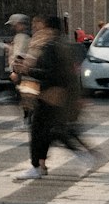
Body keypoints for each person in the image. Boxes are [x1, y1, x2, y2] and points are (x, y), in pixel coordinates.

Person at [14, 16, 95, 180]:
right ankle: (40, 165)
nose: (36, 29)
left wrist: (26, 70)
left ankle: (39, 166)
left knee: (43, 131)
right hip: (55, 95)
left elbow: (52, 73)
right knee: (49, 131)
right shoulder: (57, 44)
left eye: (39, 25)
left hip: (51, 95)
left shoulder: (50, 46)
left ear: (48, 28)